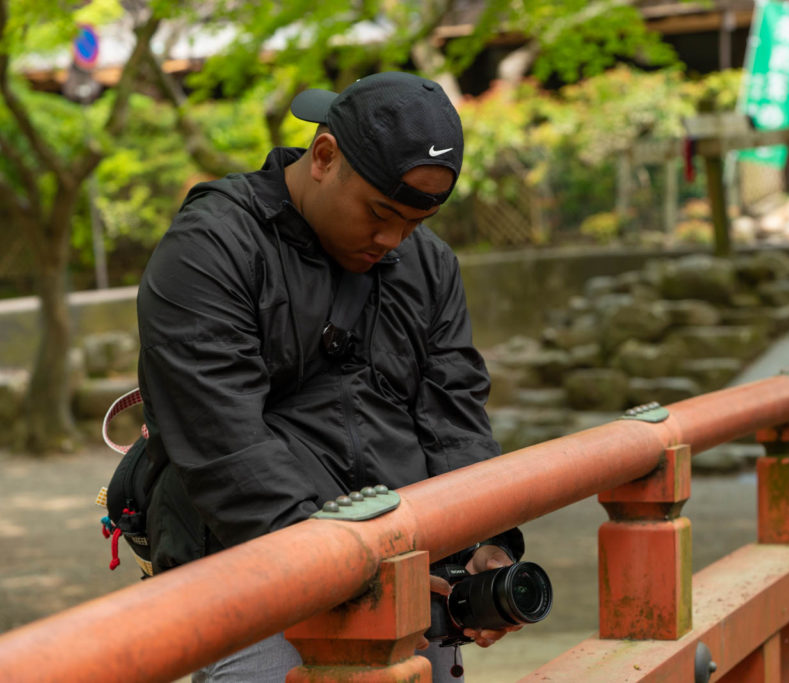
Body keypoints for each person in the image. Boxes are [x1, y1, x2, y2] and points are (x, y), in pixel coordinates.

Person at [136, 71, 523, 682]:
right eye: (380, 212)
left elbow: (455, 418)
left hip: (410, 577)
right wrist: (349, 568)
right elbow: (227, 450)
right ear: (323, 156)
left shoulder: (428, 264)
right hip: (260, 582)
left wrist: (482, 544)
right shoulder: (211, 250)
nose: (392, 239)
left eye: (415, 223)